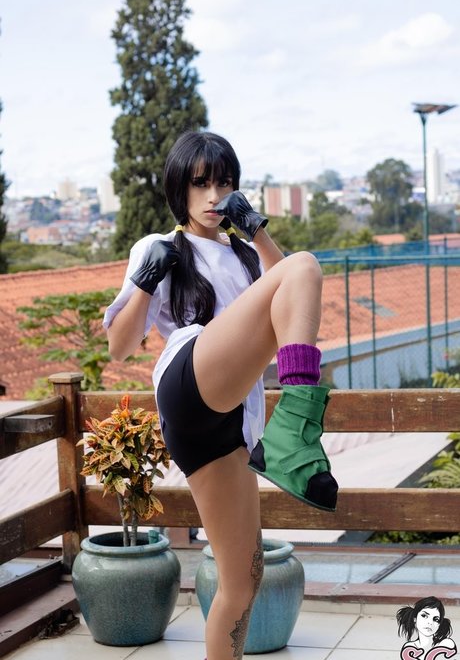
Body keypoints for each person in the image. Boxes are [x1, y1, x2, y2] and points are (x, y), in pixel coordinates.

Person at [103, 130, 338, 660]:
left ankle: (284, 434)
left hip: (230, 421)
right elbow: (120, 347)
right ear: (179, 189)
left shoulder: (247, 256)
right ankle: (295, 427)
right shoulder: (161, 247)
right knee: (305, 262)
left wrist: (256, 231)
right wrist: (146, 278)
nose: (213, 196)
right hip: (187, 381)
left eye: (224, 183)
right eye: (200, 183)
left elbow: (295, 299)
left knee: (244, 578)